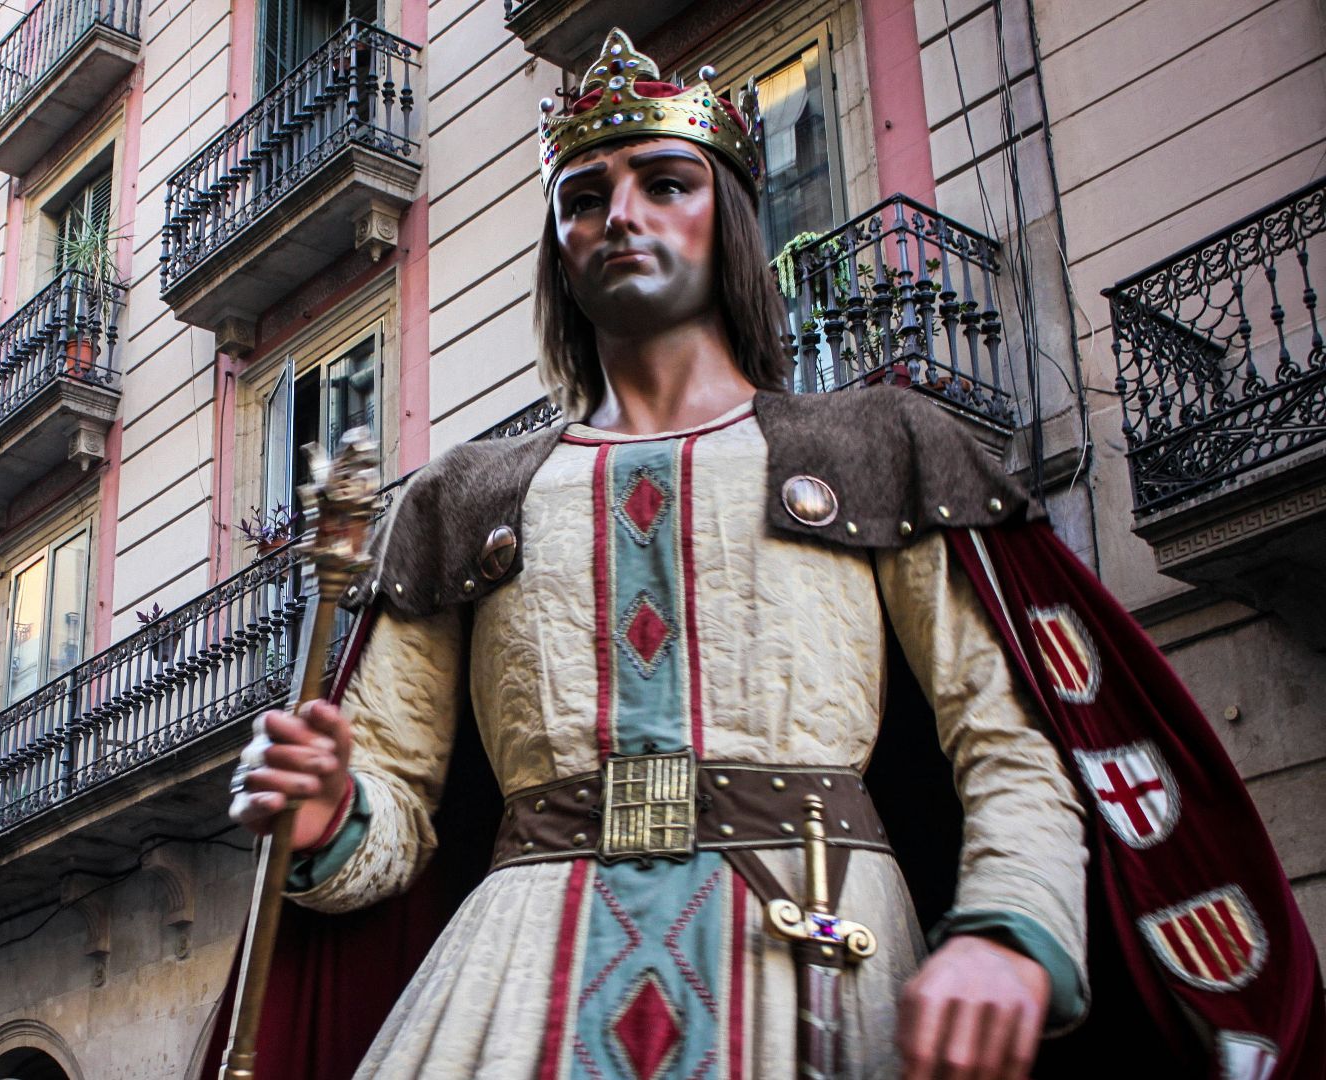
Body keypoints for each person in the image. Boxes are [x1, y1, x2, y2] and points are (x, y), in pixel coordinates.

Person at [226, 28, 1322, 1080]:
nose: (621, 216)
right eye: (584, 197)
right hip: (519, 965)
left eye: (666, 182)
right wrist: (331, 812)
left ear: (731, 221)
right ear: (557, 250)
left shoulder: (877, 444)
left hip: (820, 946)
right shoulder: (461, 497)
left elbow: (1012, 741)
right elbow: (390, 815)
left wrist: (1009, 930)